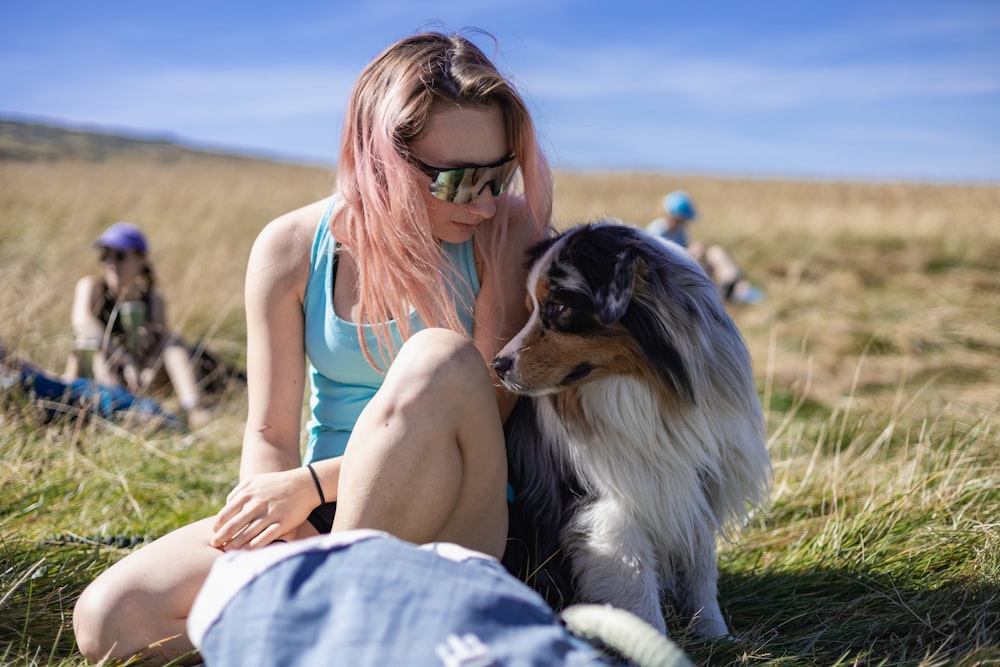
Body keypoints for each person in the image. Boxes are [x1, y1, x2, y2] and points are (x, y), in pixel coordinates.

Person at [73, 30, 553, 665]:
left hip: (461, 514)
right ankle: (333, 617)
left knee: (437, 357)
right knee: (110, 618)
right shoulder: (291, 246)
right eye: (462, 181)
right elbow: (269, 429)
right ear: (382, 158)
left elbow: (489, 408)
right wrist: (275, 523)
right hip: (319, 514)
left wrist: (310, 485)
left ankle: (317, 619)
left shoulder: (510, 231)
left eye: (501, 174)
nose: (488, 202)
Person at [64, 221, 212, 426]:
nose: (111, 263)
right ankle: (116, 410)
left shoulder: (153, 301)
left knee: (171, 339)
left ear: (140, 260)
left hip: (141, 377)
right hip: (103, 374)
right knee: (89, 342)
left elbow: (160, 349)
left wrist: (144, 368)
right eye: (105, 256)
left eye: (119, 256)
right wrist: (124, 359)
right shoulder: (92, 287)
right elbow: (81, 322)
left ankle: (194, 407)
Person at [646, 191, 763, 305]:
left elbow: (682, 250)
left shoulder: (680, 231)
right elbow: (657, 262)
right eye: (682, 219)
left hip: (681, 271)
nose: (685, 223)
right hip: (670, 277)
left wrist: (693, 252)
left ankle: (732, 285)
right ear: (674, 216)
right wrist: (689, 254)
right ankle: (727, 291)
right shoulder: (657, 231)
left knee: (715, 252)